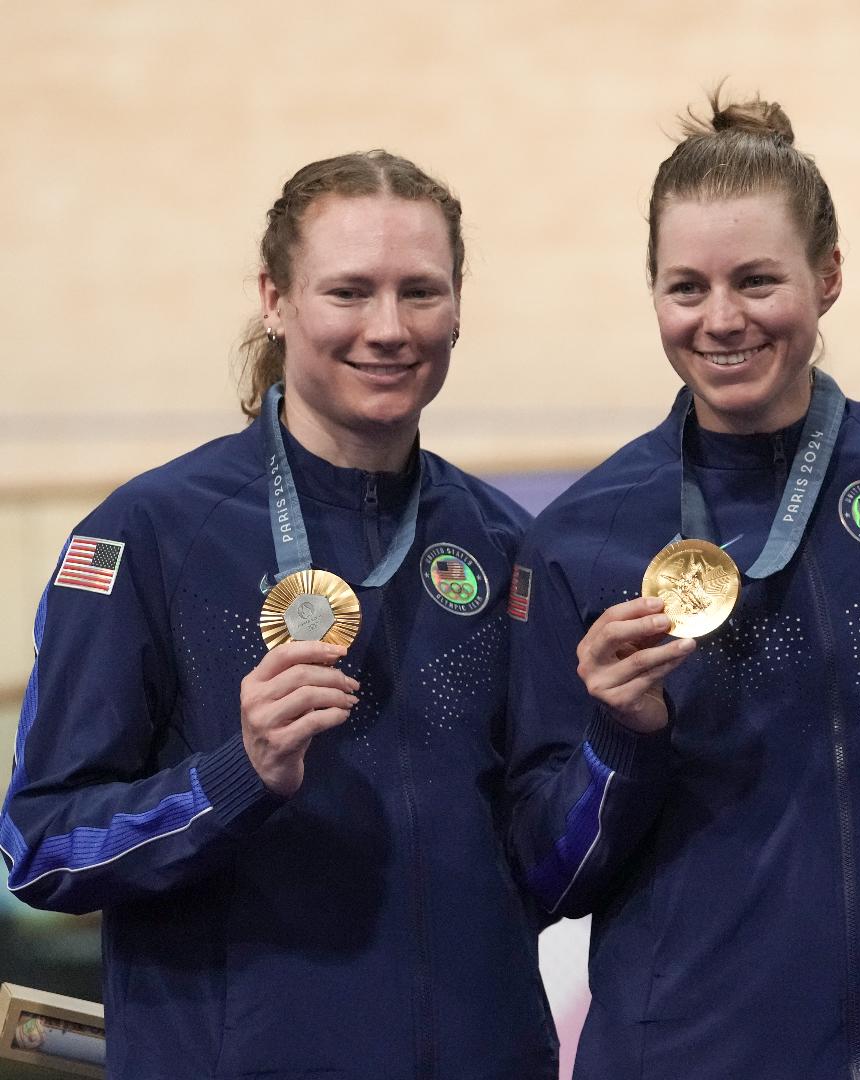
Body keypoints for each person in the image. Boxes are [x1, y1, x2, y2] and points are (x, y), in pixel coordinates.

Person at [0, 152, 555, 1077]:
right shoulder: (153, 536)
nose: (389, 329)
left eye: (420, 291)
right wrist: (236, 775)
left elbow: (547, 849)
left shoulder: (508, 547)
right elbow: (44, 846)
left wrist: (628, 737)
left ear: (460, 306)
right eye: (348, 291)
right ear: (274, 298)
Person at [503, 95, 860, 1078]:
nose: (722, 319)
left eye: (757, 281)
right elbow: (545, 871)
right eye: (685, 287)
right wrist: (619, 736)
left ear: (828, 278)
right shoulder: (585, 536)